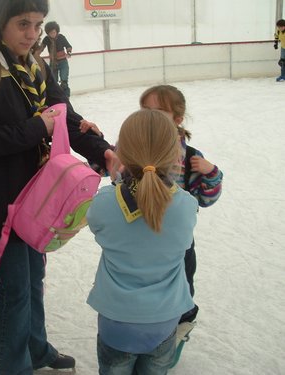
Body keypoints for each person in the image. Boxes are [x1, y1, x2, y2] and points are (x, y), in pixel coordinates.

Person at [0, 0, 117, 373]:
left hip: (34, 203)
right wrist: (37, 129)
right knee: (15, 292)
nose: (32, 33)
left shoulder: (35, 66)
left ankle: (37, 350)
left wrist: (105, 153)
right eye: (23, 23)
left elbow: (64, 119)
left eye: (37, 25)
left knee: (32, 282)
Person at [87, 109, 198, 375]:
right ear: (175, 154)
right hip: (164, 320)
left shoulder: (103, 203)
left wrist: (116, 181)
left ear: (120, 153)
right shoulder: (186, 206)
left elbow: (99, 227)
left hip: (116, 321)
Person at [140, 84, 223, 324]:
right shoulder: (135, 145)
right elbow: (110, 168)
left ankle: (179, 322)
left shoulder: (190, 156)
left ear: (177, 119)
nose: (149, 116)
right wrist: (94, 139)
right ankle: (146, 321)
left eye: (158, 111)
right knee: (144, 284)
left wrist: (212, 173)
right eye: (145, 109)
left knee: (182, 283)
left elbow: (205, 199)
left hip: (178, 239)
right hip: (139, 233)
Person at [37, 21, 72, 97]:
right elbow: (41, 48)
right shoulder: (46, 39)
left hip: (63, 62)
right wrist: (35, 55)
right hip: (53, 63)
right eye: (50, 33)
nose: (52, 34)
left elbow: (68, 46)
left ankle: (66, 97)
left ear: (57, 31)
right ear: (47, 33)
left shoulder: (61, 37)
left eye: (54, 32)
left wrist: (69, 52)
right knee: (53, 82)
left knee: (64, 82)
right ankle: (56, 97)